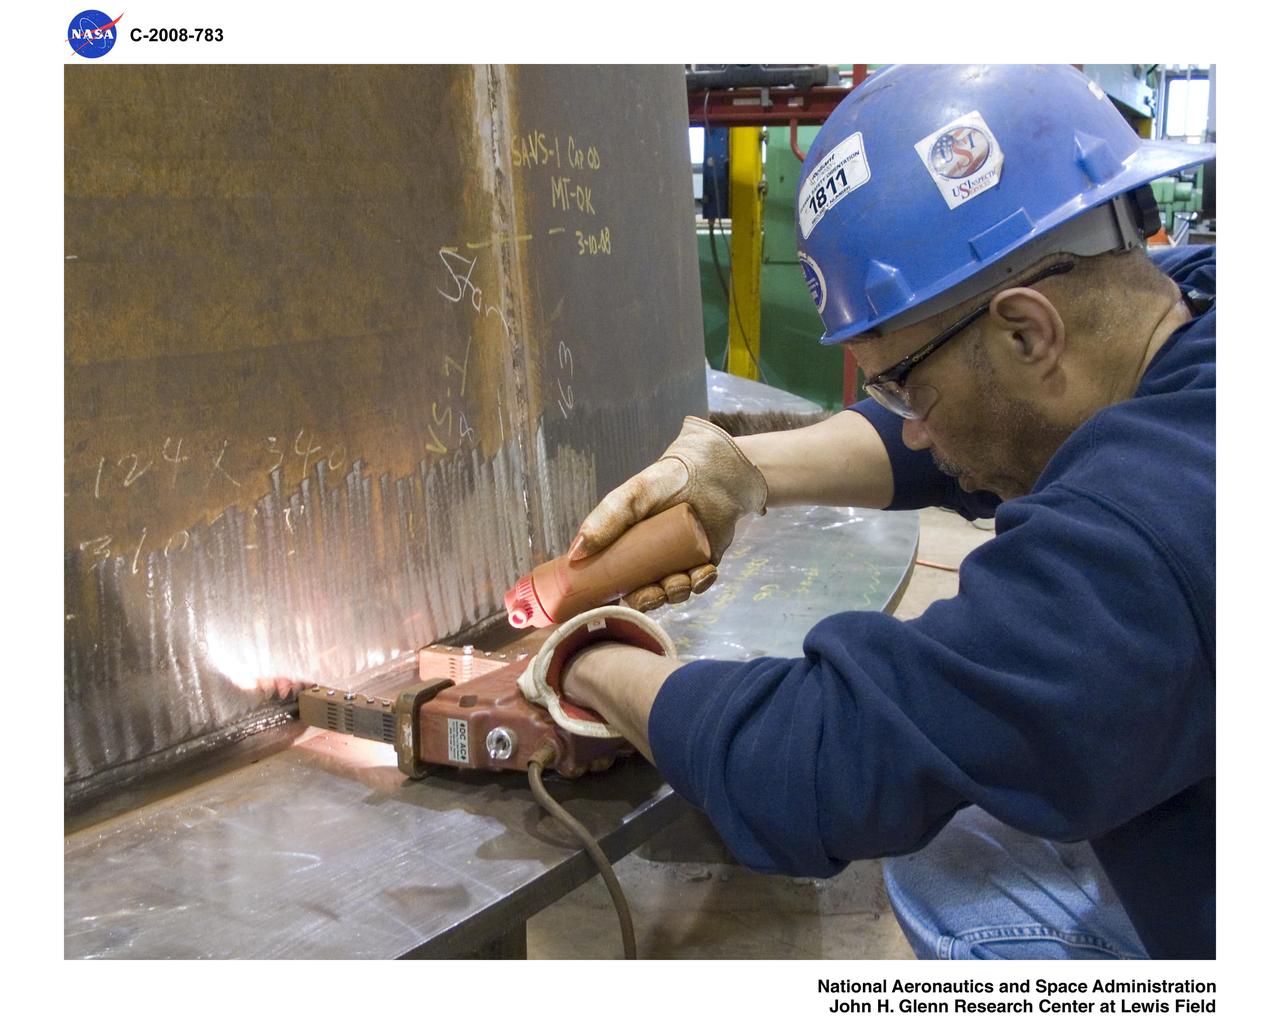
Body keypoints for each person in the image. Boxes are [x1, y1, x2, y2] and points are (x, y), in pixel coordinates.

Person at [524, 65, 1216, 959]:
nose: (913, 433)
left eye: (902, 384)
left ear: (1027, 331)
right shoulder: (1188, 304)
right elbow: (985, 424)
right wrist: (738, 472)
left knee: (954, 874)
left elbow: (821, 762)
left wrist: (582, 657)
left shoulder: (1143, 550)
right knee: (959, 854)